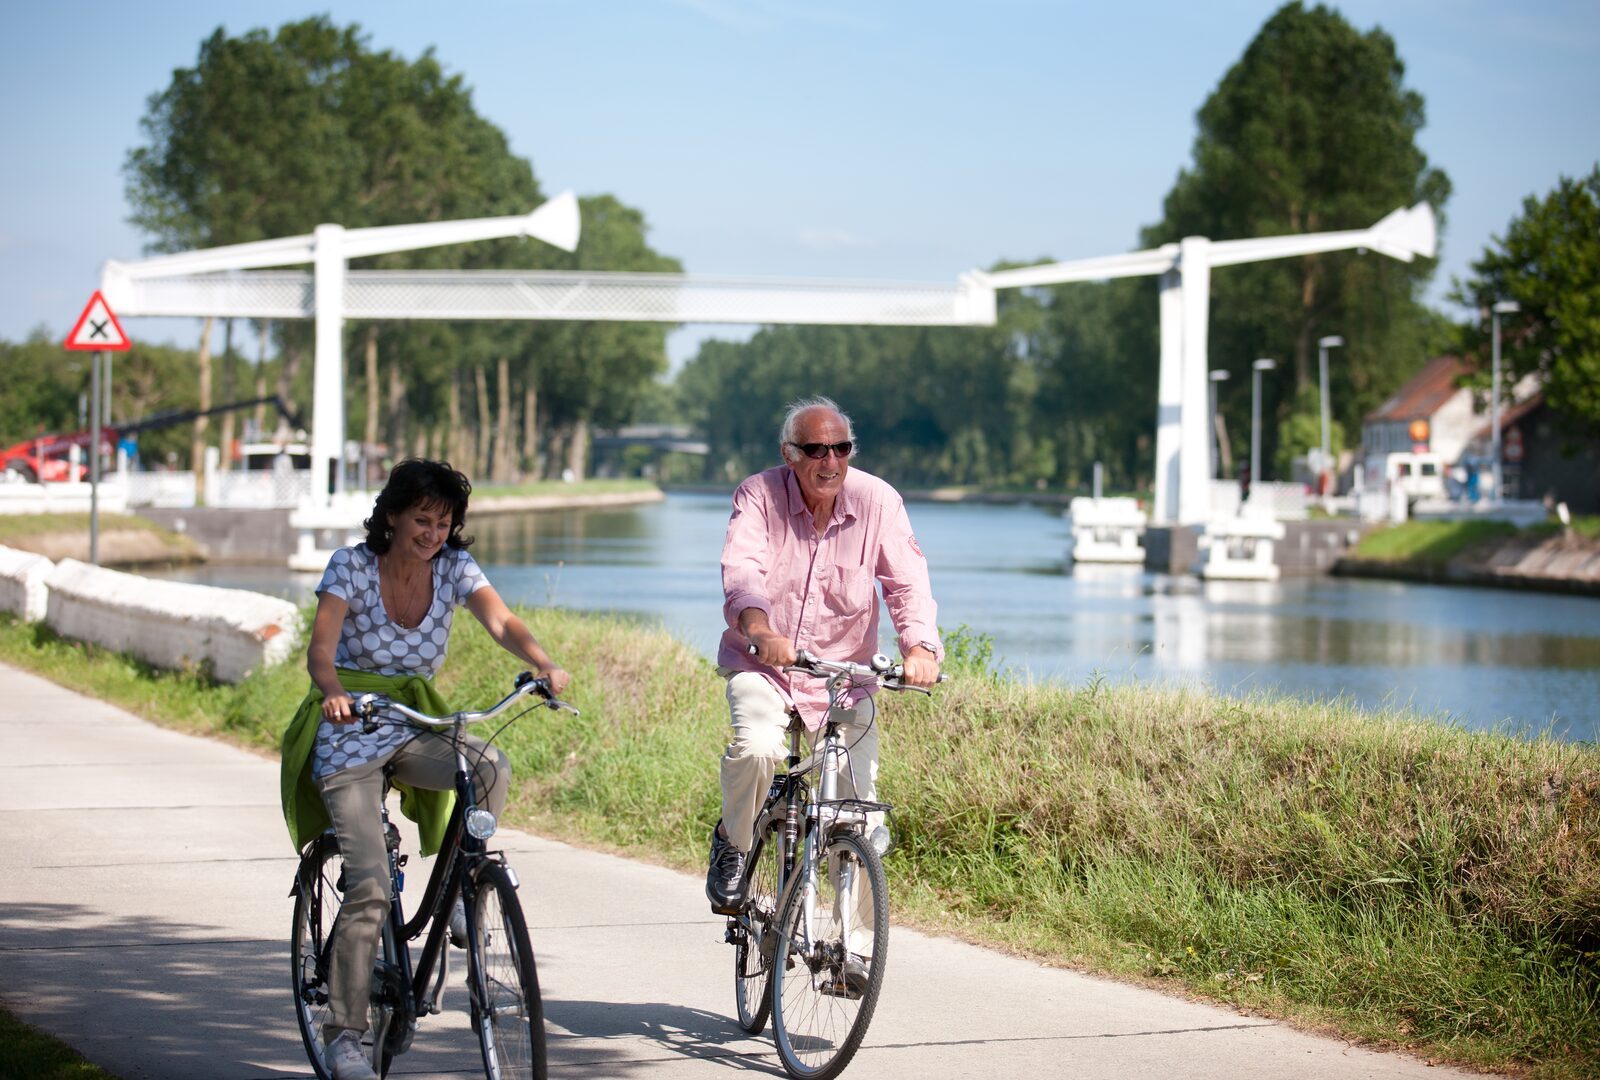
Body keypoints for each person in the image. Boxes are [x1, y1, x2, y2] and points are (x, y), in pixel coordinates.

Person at [279, 459, 570, 1080]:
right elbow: (320, 649)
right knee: (369, 887)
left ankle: (461, 891)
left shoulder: (455, 569)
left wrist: (542, 662)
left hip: (410, 721)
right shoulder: (351, 567)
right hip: (350, 727)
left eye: (444, 522)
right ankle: (344, 1035)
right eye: (421, 518)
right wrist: (332, 691)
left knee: (488, 766)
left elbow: (500, 620)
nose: (433, 532)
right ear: (391, 515)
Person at [705, 397, 942, 923]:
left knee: (856, 811)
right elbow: (742, 570)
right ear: (790, 454)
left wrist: (920, 647)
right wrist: (760, 628)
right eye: (816, 449)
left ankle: (850, 949)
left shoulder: (879, 501)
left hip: (844, 680)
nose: (830, 461)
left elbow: (907, 583)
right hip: (766, 667)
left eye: (841, 449)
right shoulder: (759, 495)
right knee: (758, 748)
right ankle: (733, 841)